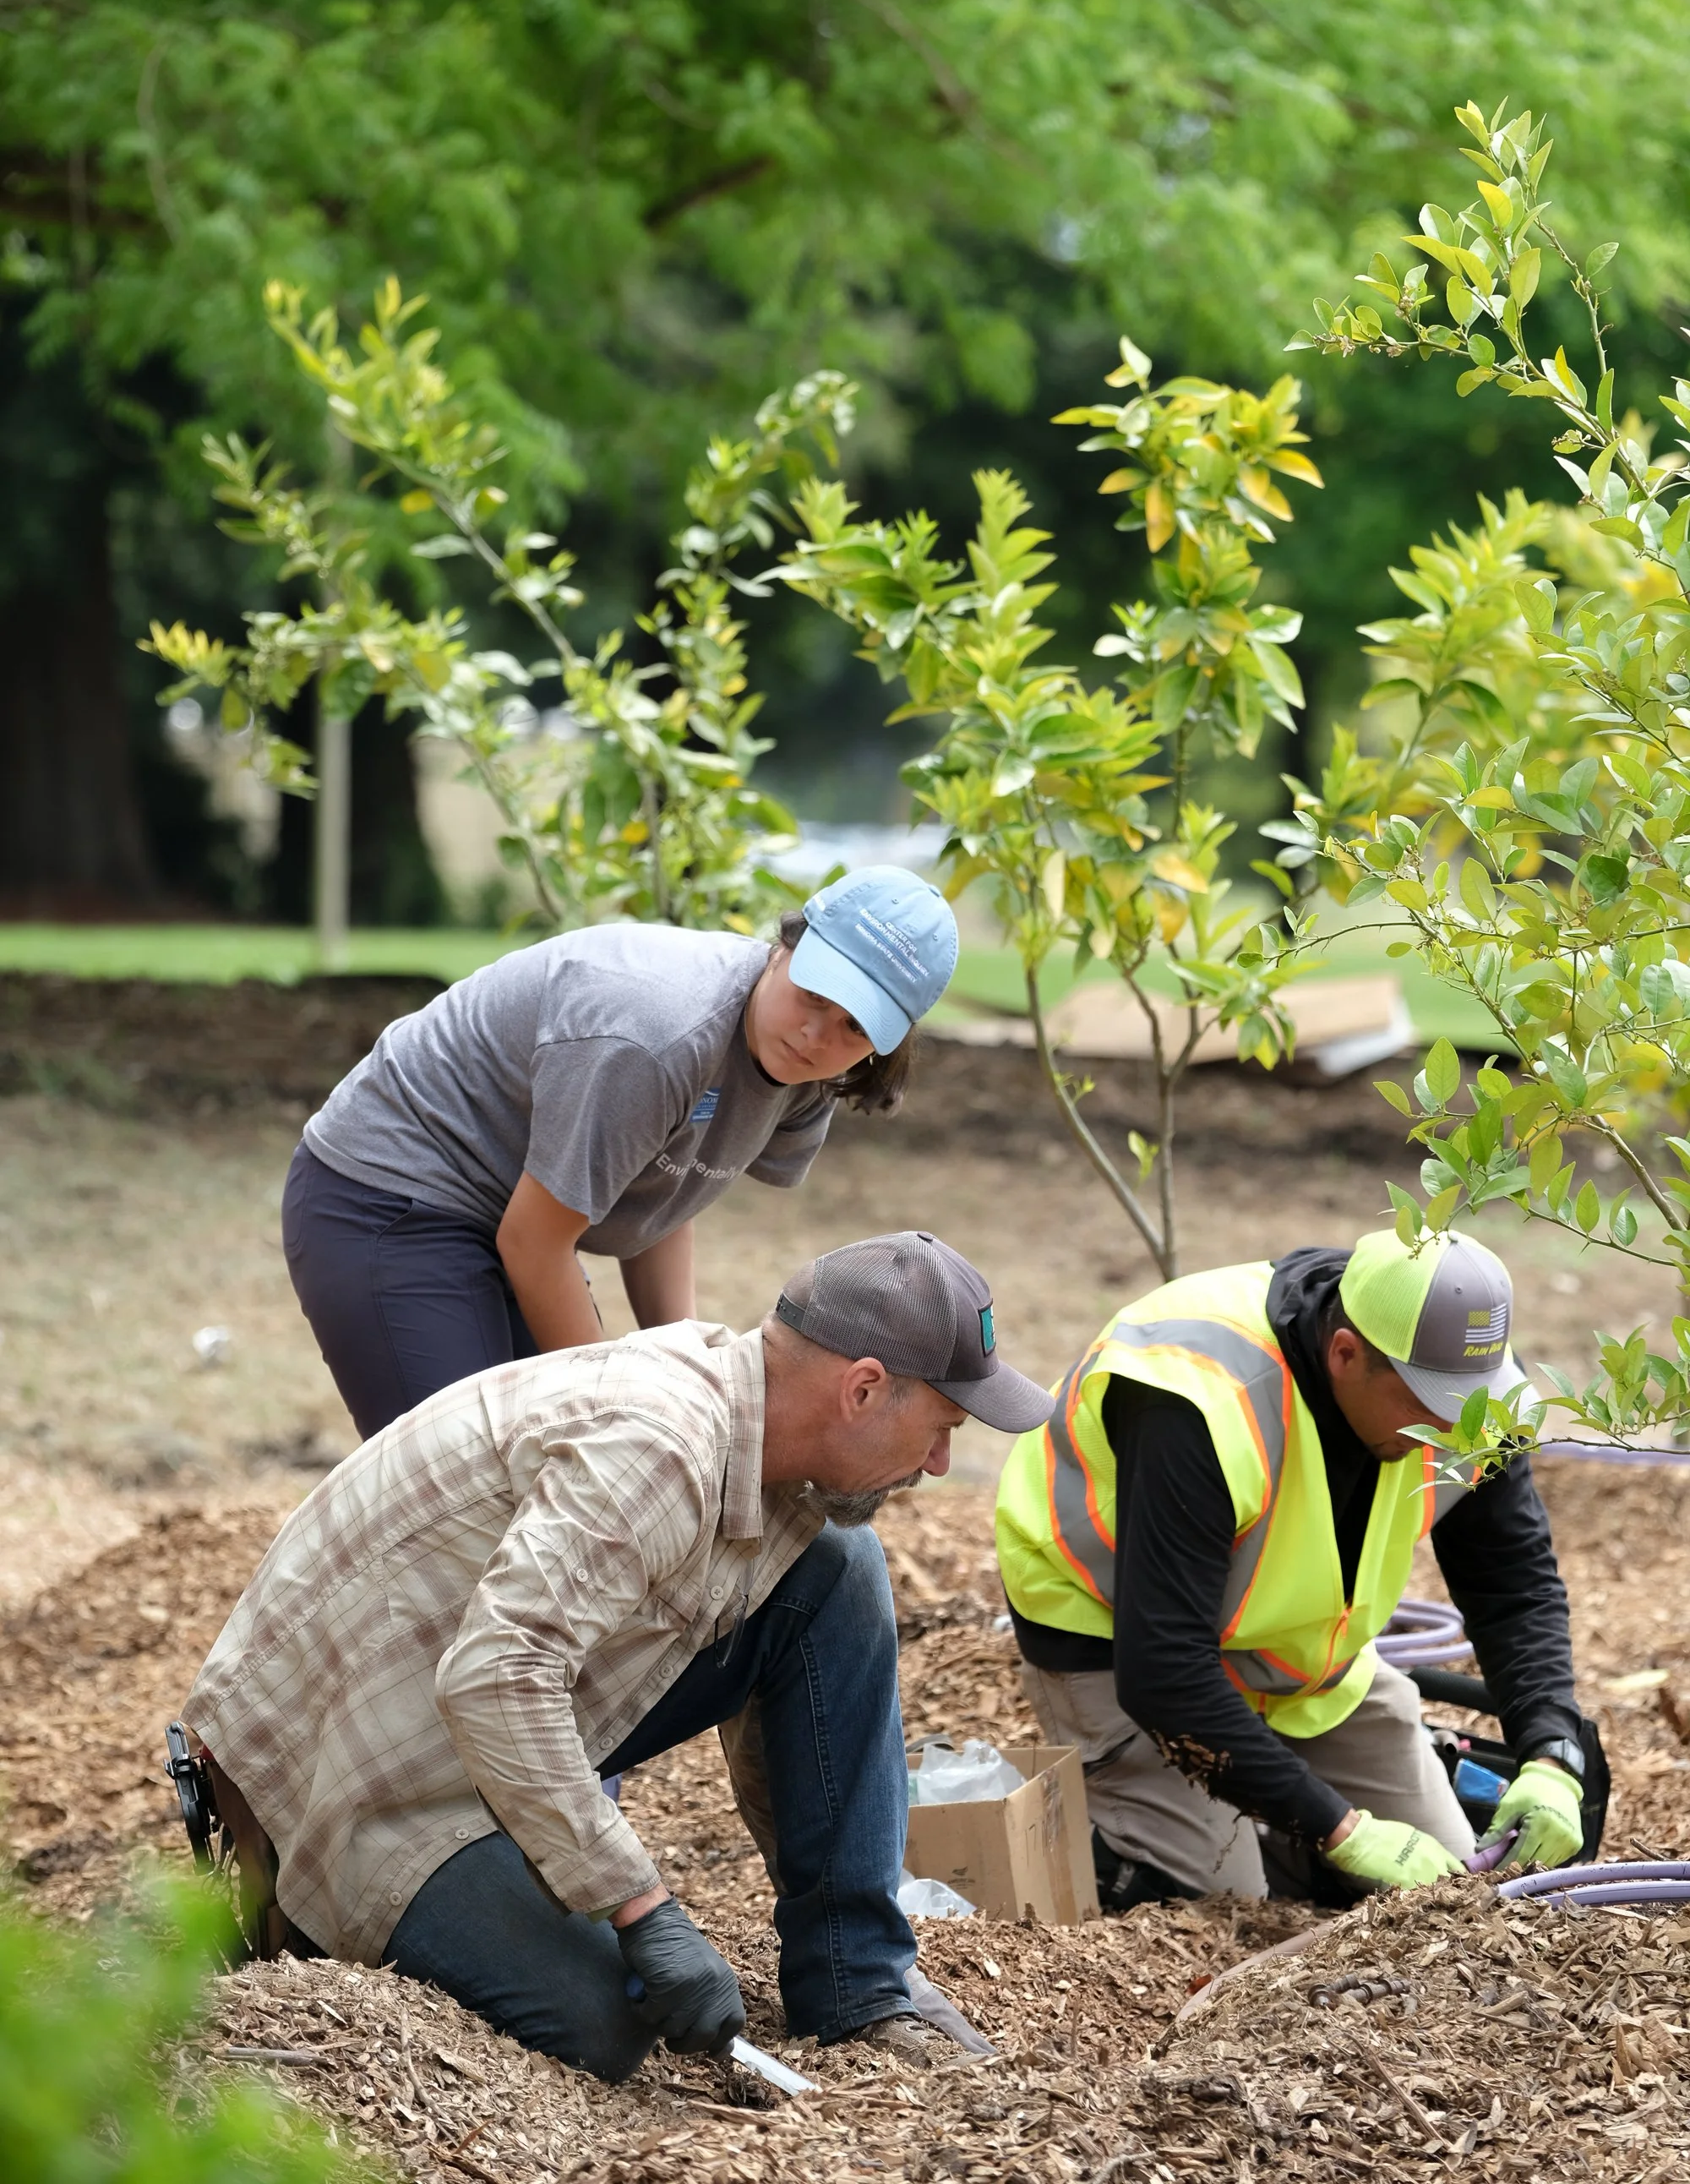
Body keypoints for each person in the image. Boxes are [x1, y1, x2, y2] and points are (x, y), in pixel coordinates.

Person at [177, 1230, 1054, 2078]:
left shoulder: (744, 1419)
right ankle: (302, 1914)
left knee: (833, 1566)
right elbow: (495, 1678)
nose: (939, 1463)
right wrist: (641, 1905)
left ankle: (858, 1981)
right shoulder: (659, 1449)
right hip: (359, 1773)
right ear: (861, 1391)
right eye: (940, 1426)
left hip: (452, 1697)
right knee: (607, 2023)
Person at [995, 1230, 1589, 1907]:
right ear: (1345, 1354)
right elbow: (1164, 1670)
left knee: (1449, 1893)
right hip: (1112, 1632)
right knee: (1219, 1898)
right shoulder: (1195, 1396)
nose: (1461, 1433)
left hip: (1296, 1656)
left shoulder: (1468, 1391)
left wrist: (1551, 1753)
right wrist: (1339, 1828)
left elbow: (1512, 1583)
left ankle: (1270, 1816)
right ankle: (1109, 1831)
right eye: (1434, 1410)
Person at [282, 865, 958, 1436]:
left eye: (855, 1025)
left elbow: (667, 1182)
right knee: (465, 1482)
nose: (817, 1035)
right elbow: (535, 1244)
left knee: (548, 1458)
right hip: (391, 1195)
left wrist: (679, 1368)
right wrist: (619, 1411)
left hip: (508, 1219)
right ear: (784, 948)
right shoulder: (657, 1038)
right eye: (814, 994)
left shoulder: (805, 1072)